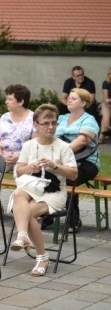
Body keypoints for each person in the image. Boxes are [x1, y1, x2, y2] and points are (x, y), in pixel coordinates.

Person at [8, 104, 77, 277]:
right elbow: (19, 171)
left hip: (53, 192)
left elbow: (74, 175)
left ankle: (41, 256)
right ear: (36, 125)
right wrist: (31, 166)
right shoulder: (29, 145)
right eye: (46, 123)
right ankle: (23, 236)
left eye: (53, 123)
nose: (50, 127)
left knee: (27, 213)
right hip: (32, 187)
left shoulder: (63, 147)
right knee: (18, 193)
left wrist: (55, 166)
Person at [57, 87, 100, 230]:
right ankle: (48, 214)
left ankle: (73, 221)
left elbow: (82, 142)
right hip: (63, 160)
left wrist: (59, 154)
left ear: (83, 103)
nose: (69, 99)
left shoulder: (90, 120)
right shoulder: (61, 118)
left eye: (74, 98)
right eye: (69, 97)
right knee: (44, 174)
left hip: (86, 162)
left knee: (67, 178)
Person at [0, 85, 34, 172]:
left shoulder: (34, 119)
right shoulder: (4, 117)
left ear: (21, 102)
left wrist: (20, 158)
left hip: (24, 160)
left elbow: (36, 145)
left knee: (21, 175)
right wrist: (0, 157)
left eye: (10, 99)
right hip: (3, 158)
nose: (6, 102)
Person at [101, 67, 111, 143]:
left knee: (105, 109)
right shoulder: (106, 83)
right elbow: (105, 98)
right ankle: (107, 127)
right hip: (108, 104)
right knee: (105, 105)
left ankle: (102, 135)